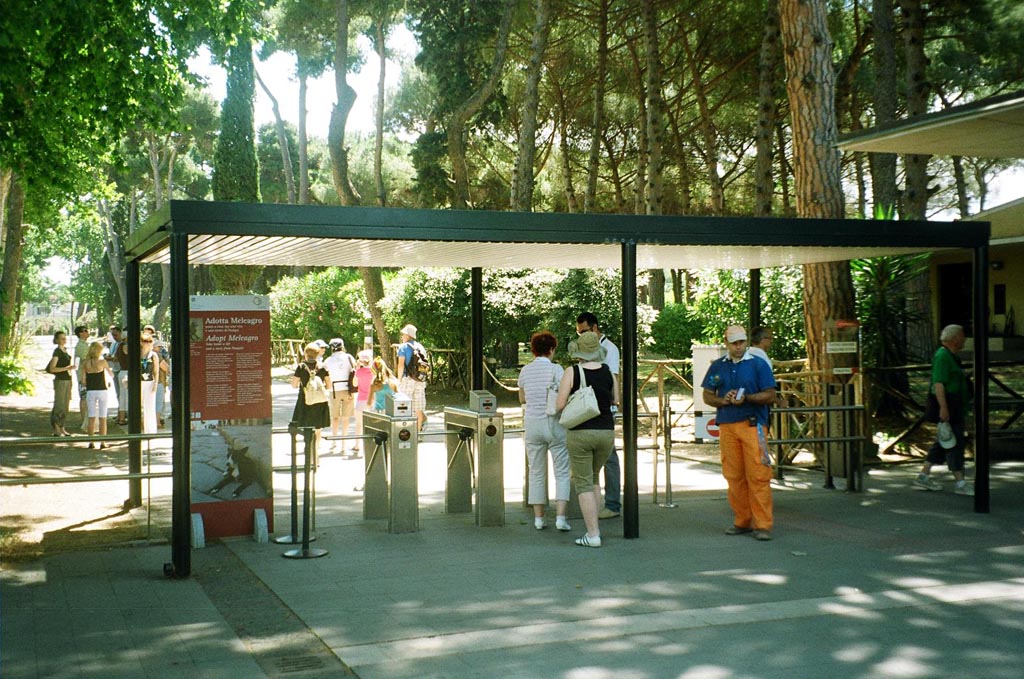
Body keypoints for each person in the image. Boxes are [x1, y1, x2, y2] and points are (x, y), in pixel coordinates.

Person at [701, 325, 778, 541]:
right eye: (734, 343)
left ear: (746, 342)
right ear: (726, 342)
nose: (738, 347)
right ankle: (742, 520)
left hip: (753, 425)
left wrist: (748, 398)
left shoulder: (758, 364)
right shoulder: (717, 366)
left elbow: (770, 395)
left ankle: (762, 524)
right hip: (727, 425)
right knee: (733, 475)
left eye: (741, 342)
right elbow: (707, 395)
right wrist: (722, 400)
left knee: (758, 475)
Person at [556, 331, 617, 548]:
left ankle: (593, 534)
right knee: (594, 479)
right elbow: (615, 399)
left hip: (581, 432)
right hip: (606, 432)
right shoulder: (609, 371)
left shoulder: (572, 372)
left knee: (583, 484)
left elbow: (560, 404)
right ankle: (596, 527)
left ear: (579, 351)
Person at [518, 331, 571, 532]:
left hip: (532, 423)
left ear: (533, 350)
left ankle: (539, 518)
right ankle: (560, 517)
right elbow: (564, 396)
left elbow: (522, 398)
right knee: (562, 472)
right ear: (551, 349)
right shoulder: (557, 370)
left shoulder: (525, 371)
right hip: (553, 423)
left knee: (536, 471)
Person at [914, 324, 973, 496]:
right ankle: (960, 482)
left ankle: (923, 476)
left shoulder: (951, 356)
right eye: (962, 336)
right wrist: (944, 408)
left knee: (944, 440)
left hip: (954, 404)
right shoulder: (943, 357)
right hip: (950, 404)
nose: (964, 339)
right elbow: (938, 383)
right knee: (954, 443)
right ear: (955, 339)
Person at [576, 312, 621, 519]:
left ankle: (611, 503)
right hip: (588, 409)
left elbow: (611, 381)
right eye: (579, 333)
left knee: (609, 457)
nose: (581, 336)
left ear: (595, 328)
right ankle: (596, 502)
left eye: (584, 331)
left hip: (602, 410)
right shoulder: (592, 349)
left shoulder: (609, 349)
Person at [291, 343, 332, 454]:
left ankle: (308, 446)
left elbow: (294, 385)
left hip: (304, 400)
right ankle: (317, 447)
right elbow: (329, 385)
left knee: (306, 424)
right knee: (318, 425)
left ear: (305, 354)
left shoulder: (301, 367)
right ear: (318, 354)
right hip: (319, 400)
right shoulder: (323, 367)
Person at [324, 338, 357, 453]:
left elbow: (324, 373)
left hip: (334, 390)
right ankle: (344, 443)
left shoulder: (328, 360)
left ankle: (334, 441)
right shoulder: (349, 357)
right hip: (348, 390)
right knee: (346, 418)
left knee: (335, 417)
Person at [81, 341, 114, 449]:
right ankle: (103, 442)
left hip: (91, 391)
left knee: (91, 417)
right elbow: (111, 374)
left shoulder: (85, 363)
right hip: (102, 390)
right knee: (102, 417)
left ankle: (90, 441)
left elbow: (83, 381)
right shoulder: (102, 361)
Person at [396, 323, 428, 430]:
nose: (402, 336)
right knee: (418, 409)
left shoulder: (403, 347)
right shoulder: (421, 347)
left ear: (408, 335)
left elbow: (401, 365)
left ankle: (406, 432)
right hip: (419, 380)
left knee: (405, 407)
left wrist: (398, 380)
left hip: (407, 379)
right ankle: (418, 433)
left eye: (403, 334)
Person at [47, 331, 75, 436]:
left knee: (66, 405)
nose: (64, 340)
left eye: (65, 338)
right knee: (59, 404)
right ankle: (56, 428)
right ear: (57, 340)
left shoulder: (65, 351)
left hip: (68, 379)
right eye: (62, 338)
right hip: (60, 380)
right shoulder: (57, 352)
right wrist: (65, 368)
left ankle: (62, 426)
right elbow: (52, 368)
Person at [353, 350, 375, 448]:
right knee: (372, 423)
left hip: (361, 398)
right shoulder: (374, 372)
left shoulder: (359, 372)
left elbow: (354, 384)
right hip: (372, 399)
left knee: (359, 423)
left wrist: (356, 370)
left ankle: (357, 444)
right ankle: (372, 443)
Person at [140, 334, 160, 434]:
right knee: (139, 406)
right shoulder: (138, 354)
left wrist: (156, 383)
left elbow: (156, 371)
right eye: (144, 341)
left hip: (150, 382)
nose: (147, 344)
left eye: (149, 341)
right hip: (139, 382)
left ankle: (150, 431)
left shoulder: (153, 355)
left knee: (150, 406)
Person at [73, 325, 91, 431]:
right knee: (84, 398)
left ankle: (86, 419)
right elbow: (84, 361)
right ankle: (84, 420)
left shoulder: (83, 345)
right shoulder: (82, 346)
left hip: (83, 375)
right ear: (80, 333)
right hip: (83, 376)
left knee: (85, 397)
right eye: (85, 331)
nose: (87, 332)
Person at [113, 338, 131, 425]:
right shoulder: (129, 347)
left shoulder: (119, 347)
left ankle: (121, 418)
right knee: (129, 396)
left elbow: (115, 359)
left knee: (122, 396)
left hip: (121, 372)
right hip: (128, 373)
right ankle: (131, 417)